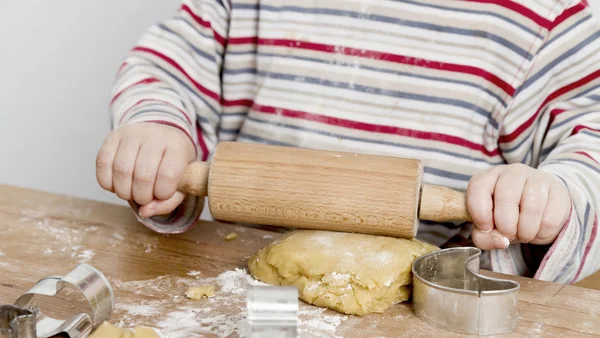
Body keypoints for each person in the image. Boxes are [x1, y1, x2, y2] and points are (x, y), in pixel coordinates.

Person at [96, 0, 600, 283]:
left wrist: (554, 195)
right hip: (241, 280)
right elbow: (168, 68)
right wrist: (159, 130)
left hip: (438, 306)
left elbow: (591, 136)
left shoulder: (542, 18)